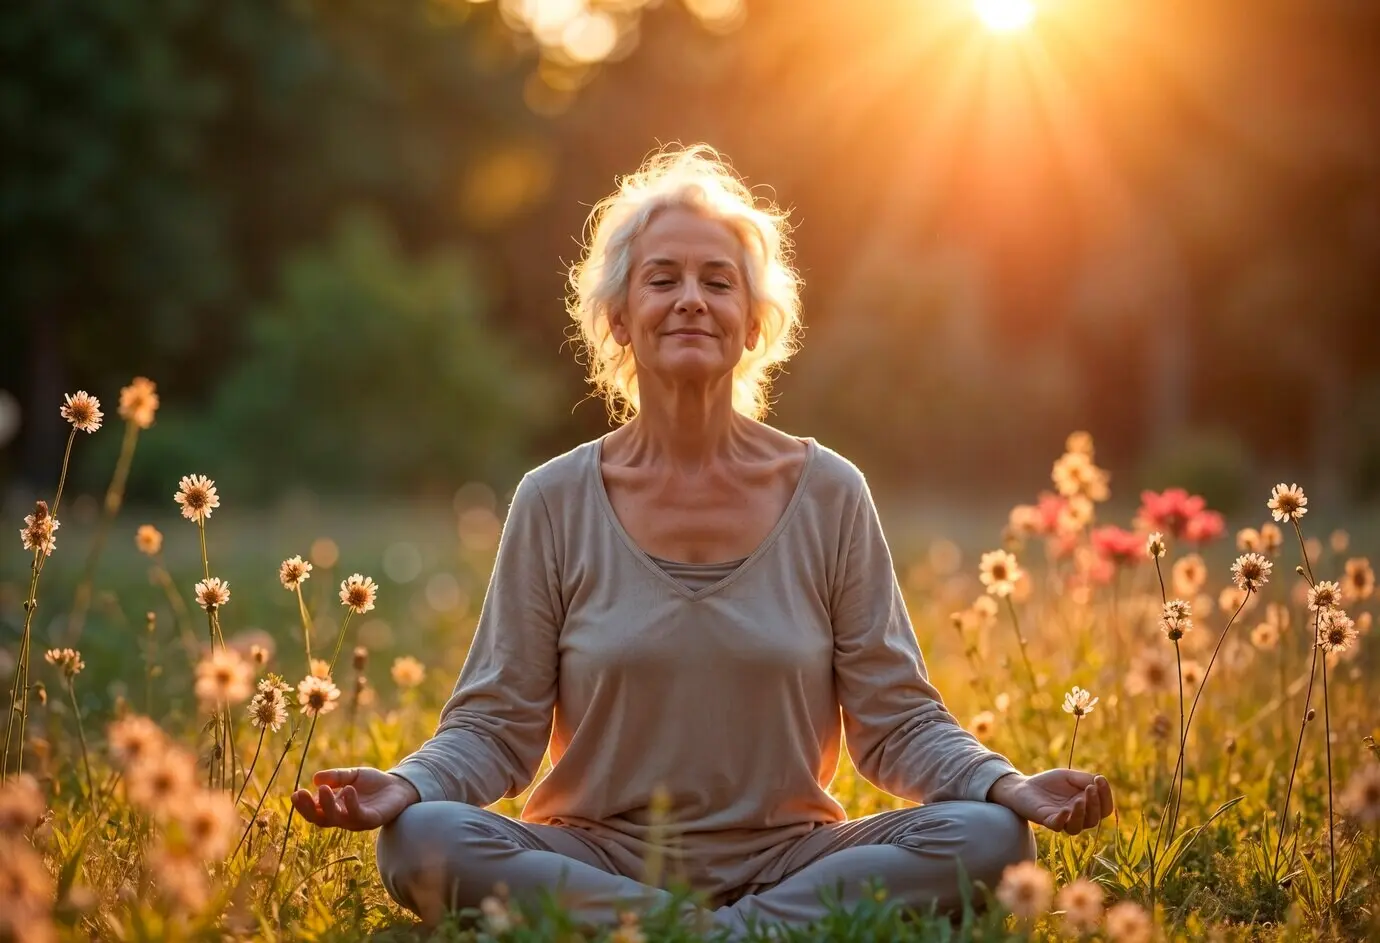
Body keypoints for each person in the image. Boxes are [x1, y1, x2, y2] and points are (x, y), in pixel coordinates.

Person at [290, 145, 1114, 934]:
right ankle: (730, 935)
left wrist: (1007, 786)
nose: (691, 298)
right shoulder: (553, 500)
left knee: (994, 839)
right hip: (595, 857)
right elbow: (497, 725)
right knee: (422, 839)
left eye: (718, 281)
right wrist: (406, 785)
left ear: (752, 324)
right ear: (618, 318)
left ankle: (680, 934)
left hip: (792, 860)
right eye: (663, 279)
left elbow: (897, 720)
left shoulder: (829, 493)